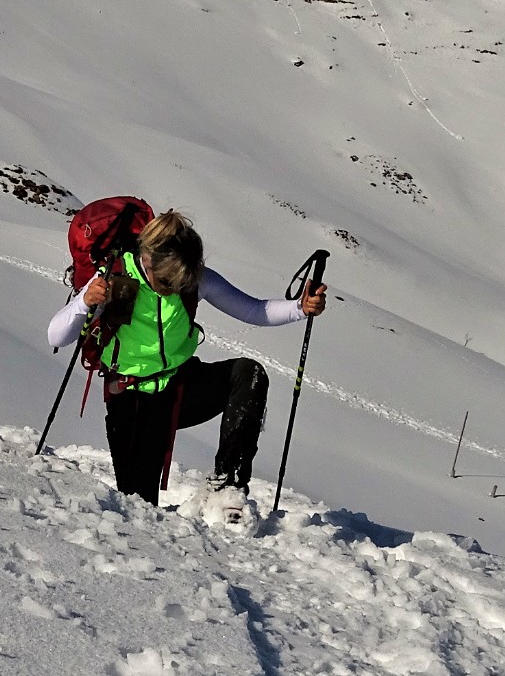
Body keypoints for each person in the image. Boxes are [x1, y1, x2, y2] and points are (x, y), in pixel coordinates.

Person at [47, 210, 326, 508]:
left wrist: (301, 307)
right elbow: (57, 337)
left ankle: (227, 485)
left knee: (248, 374)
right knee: (139, 504)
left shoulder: (192, 277)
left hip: (180, 387)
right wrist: (86, 302)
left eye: (183, 280)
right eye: (169, 281)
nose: (176, 287)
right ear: (148, 260)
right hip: (131, 398)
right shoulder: (115, 279)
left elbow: (253, 310)